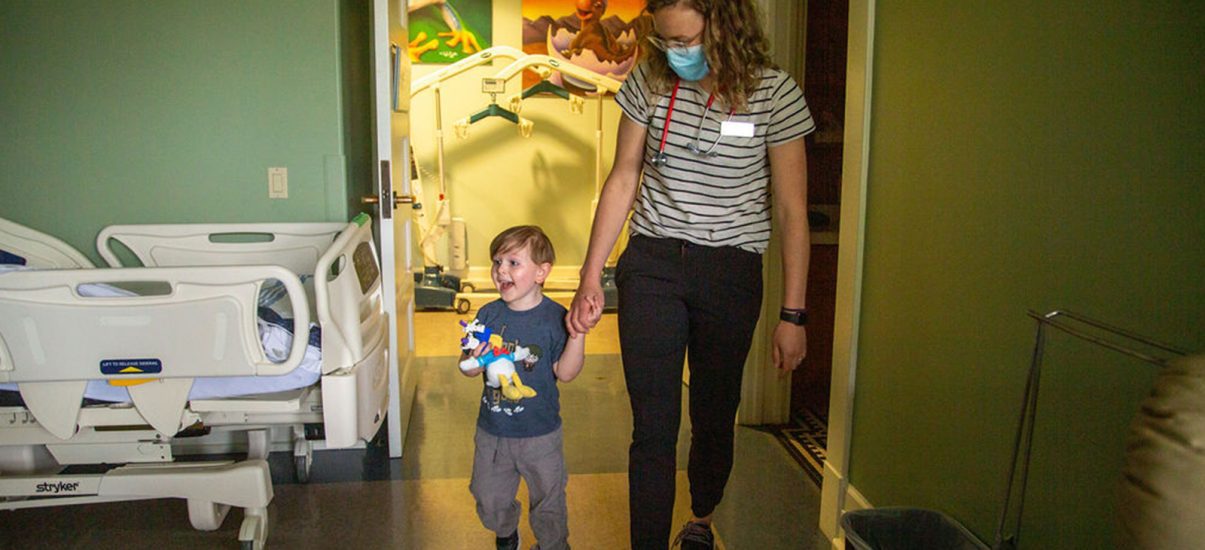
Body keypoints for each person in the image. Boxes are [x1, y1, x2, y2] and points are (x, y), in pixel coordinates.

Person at [565, 0, 814, 548]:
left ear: (724, 26)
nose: (676, 54)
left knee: (714, 411)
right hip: (652, 263)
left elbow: (793, 211)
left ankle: (701, 516)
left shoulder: (775, 93)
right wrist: (590, 274)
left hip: (731, 271)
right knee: (652, 427)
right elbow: (623, 176)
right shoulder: (648, 83)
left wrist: (792, 314)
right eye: (666, 43)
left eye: (686, 41)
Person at [462, 225, 586, 550]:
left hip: (541, 435)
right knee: (487, 497)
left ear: (542, 272)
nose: (501, 270)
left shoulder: (556, 318)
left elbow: (567, 372)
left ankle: (553, 545)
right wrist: (474, 359)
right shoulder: (488, 314)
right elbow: (470, 370)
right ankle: (505, 532)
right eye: (497, 262)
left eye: (513, 263)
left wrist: (578, 333)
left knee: (549, 502)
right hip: (493, 432)